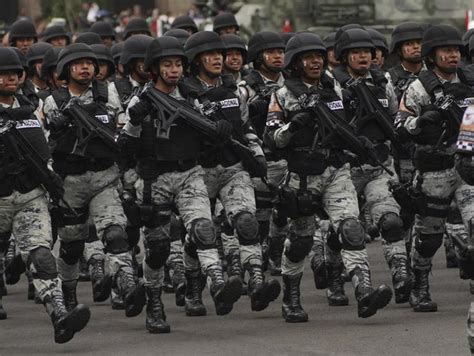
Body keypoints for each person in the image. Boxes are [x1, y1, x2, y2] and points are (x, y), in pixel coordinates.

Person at [119, 36, 243, 332]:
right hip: (154, 180)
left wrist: (220, 131)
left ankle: (217, 282)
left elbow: (211, 133)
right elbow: (123, 148)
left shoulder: (194, 97)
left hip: (190, 173)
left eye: (178, 64)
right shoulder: (140, 100)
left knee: (203, 228)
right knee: (159, 248)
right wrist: (135, 122)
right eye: (167, 65)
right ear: (154, 68)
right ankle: (154, 303)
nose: (173, 70)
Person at [266, 32, 392, 321]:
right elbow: (273, 138)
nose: (315, 62)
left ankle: (364, 292)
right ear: (295, 63)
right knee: (300, 241)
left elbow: (350, 122)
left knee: (351, 228)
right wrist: (293, 127)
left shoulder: (335, 87)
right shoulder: (283, 95)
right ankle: (292, 298)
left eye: (319, 56)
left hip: (336, 170)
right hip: (301, 176)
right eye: (308, 57)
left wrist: (362, 142)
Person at [42, 43, 146, 318]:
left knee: (115, 233)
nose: (86, 67)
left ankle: (126, 283)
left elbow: (120, 125)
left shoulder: (108, 93)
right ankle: (68, 291)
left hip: (104, 177)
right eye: (78, 64)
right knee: (72, 245)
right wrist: (64, 120)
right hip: (71, 181)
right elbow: (48, 134)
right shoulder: (55, 99)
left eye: (90, 63)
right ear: (66, 70)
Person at [183, 31, 281, 312]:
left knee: (247, 222)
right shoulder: (185, 94)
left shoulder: (233, 90)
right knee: (200, 232)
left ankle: (257, 282)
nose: (217, 59)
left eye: (219, 55)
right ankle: (193, 287)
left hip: (233, 168)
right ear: (196, 60)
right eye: (209, 55)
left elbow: (246, 128)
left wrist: (257, 155)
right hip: (198, 171)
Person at [0, 47, 90, 343]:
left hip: (30, 195)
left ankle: (59, 315)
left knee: (42, 256)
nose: (10, 78)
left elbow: (44, 147)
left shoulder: (31, 108)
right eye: (3, 74)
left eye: (14, 73)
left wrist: (50, 179)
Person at [397, 24, 474, 312]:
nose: (453, 55)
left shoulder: (469, 81)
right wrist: (420, 123)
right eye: (446, 50)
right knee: (429, 237)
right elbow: (399, 126)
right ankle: (420, 285)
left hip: (467, 168)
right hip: (433, 171)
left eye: (456, 50)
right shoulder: (418, 88)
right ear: (432, 55)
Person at [331, 28, 409, 304]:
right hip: (345, 169)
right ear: (344, 57)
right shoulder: (333, 85)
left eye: (368, 52)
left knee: (391, 221)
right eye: (356, 53)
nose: (364, 57)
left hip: (379, 165)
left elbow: (394, 120)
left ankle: (401, 276)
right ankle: (335, 280)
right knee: (345, 229)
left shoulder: (382, 82)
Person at [238, 31, 288, 276]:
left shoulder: (291, 83)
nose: (278, 56)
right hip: (261, 156)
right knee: (260, 214)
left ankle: (275, 252)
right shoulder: (245, 88)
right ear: (258, 58)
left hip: (288, 157)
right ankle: (255, 262)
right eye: (272, 52)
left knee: (286, 211)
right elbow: (241, 124)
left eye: (281, 51)